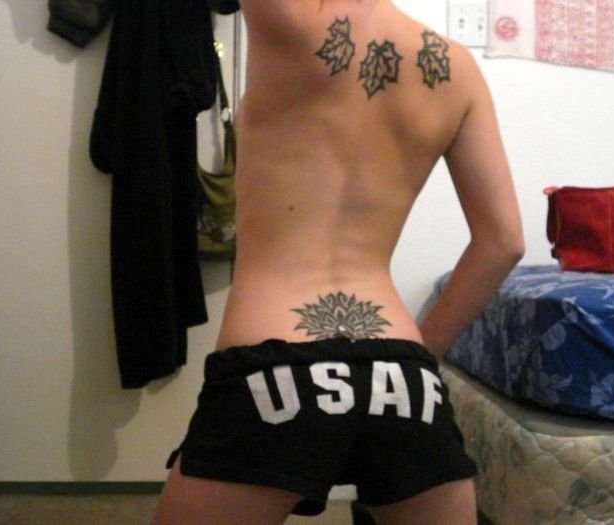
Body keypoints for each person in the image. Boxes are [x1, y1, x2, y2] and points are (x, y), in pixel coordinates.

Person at [153, 0, 524, 523]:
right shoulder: (459, 68)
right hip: (402, 372)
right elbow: (503, 241)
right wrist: (419, 357)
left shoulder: (289, 17)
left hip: (275, 365)